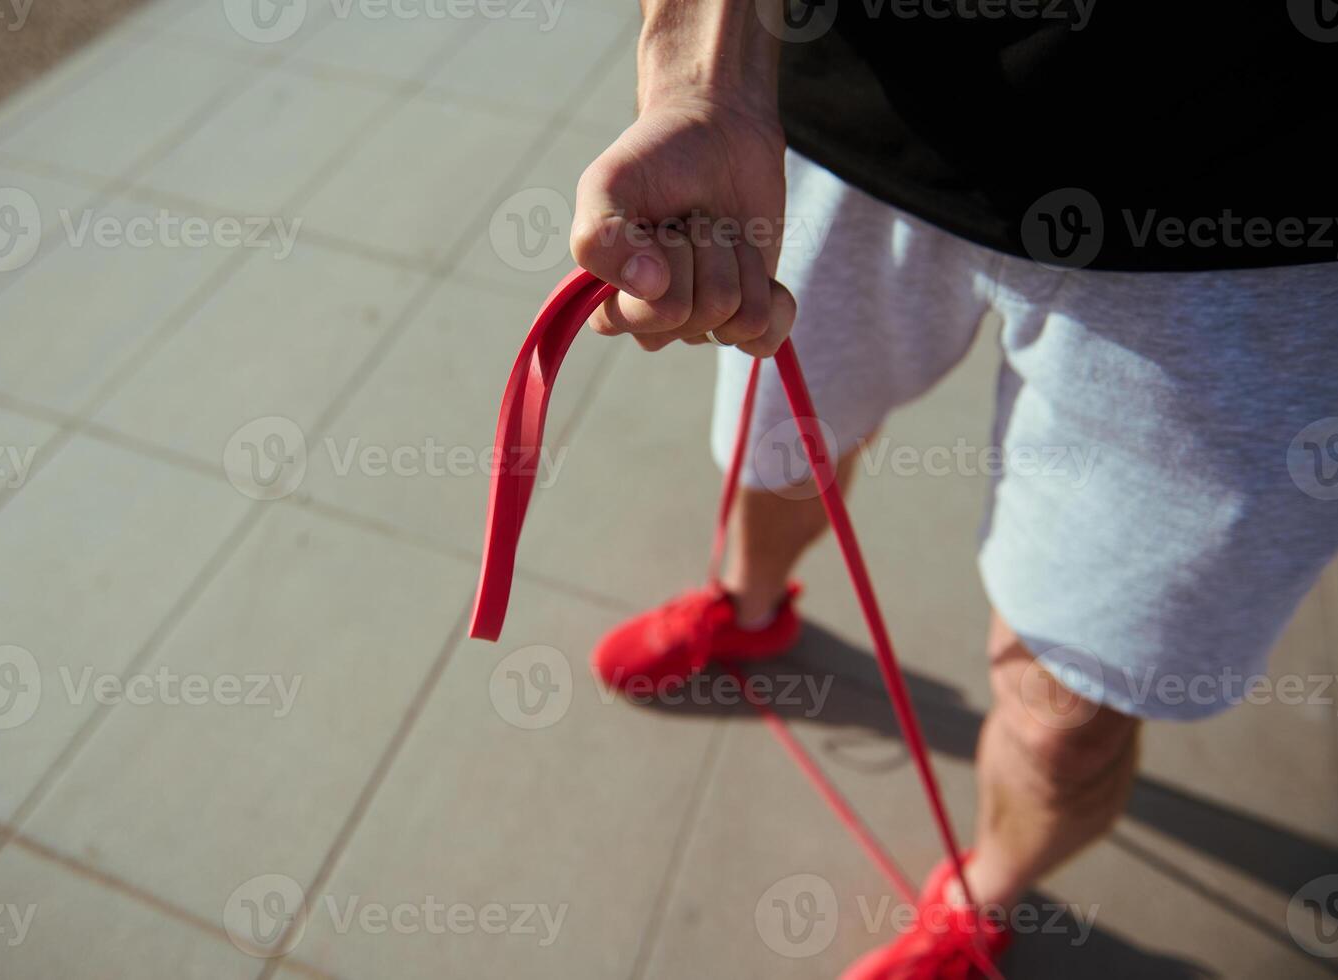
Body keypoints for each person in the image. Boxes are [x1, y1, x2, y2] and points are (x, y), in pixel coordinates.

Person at [567, 2, 1338, 976]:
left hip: (1267, 225)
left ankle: (987, 898)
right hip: (865, 105)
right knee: (777, 451)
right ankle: (750, 607)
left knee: (1076, 701)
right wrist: (704, 80)